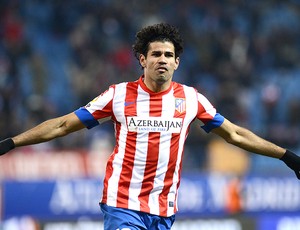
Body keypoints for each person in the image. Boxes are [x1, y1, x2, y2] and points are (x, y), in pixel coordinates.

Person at [0, 23, 300, 230]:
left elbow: (235, 133)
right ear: (142, 59)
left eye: (169, 55)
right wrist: (12, 142)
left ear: (177, 63)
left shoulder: (191, 99)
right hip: (122, 204)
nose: (163, 60)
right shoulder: (118, 95)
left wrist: (285, 155)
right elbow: (63, 125)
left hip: (164, 210)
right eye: (156, 54)